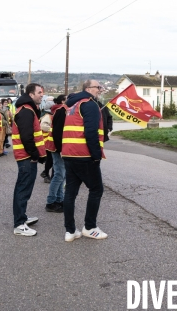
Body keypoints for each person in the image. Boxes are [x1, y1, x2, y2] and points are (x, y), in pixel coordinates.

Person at [62, 80, 107, 242]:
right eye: (97, 87)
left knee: (70, 193)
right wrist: (96, 155)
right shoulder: (90, 104)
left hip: (69, 154)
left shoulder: (73, 105)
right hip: (84, 155)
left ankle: (70, 231)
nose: (100, 90)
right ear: (88, 89)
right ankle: (90, 227)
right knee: (96, 190)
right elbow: (91, 132)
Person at [12, 83, 46, 236]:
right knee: (23, 189)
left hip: (27, 156)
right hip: (26, 157)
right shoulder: (26, 111)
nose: (41, 95)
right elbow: (27, 137)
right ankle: (19, 224)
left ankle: (22, 218)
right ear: (31, 94)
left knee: (24, 188)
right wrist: (34, 154)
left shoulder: (29, 109)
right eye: (39, 92)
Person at [45, 94, 67, 213]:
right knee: (59, 175)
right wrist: (61, 149)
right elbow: (58, 133)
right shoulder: (61, 111)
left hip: (58, 147)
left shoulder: (60, 110)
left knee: (62, 175)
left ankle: (59, 199)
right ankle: (51, 202)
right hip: (57, 147)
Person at [39, 101, 54, 183]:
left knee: (51, 159)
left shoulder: (49, 115)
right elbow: (43, 126)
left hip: (49, 140)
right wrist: (53, 130)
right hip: (47, 141)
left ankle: (45, 172)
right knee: (50, 159)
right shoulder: (48, 116)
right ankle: (46, 174)